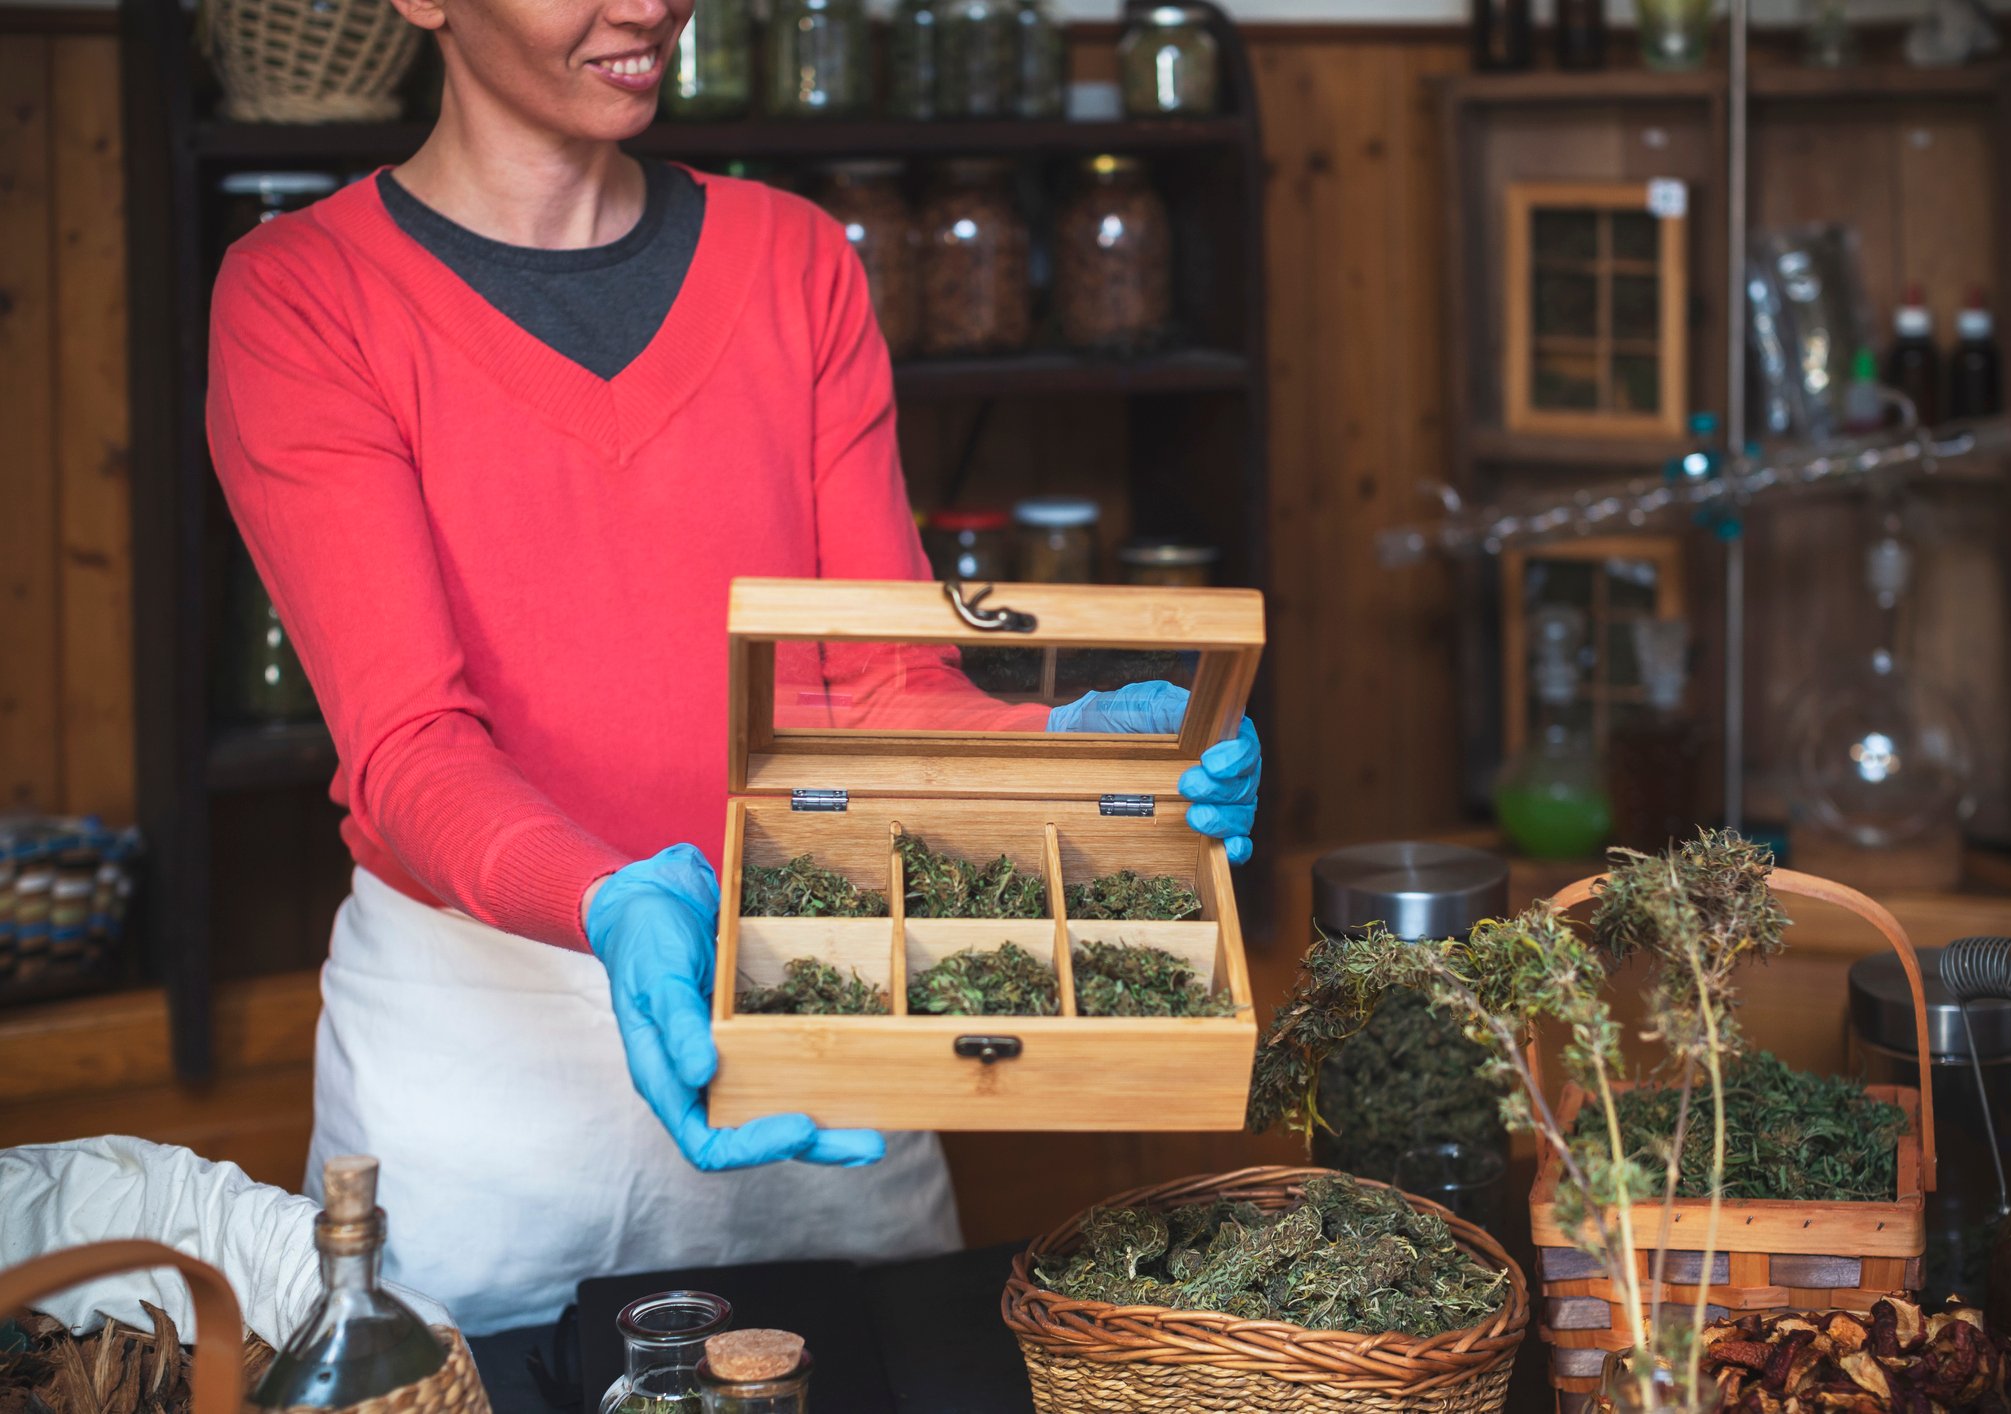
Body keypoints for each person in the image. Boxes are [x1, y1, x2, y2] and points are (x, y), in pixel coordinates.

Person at [203, 0, 1263, 1334]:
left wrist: (1079, 752)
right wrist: (605, 895)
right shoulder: (305, 292)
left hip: (823, 1009)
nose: (646, 8)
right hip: (483, 1079)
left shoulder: (794, 259)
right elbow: (409, 740)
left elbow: (878, 689)